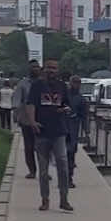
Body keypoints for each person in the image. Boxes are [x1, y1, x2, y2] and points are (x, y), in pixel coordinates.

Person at [29, 62, 73, 212]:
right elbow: (30, 105)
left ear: (57, 70)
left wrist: (66, 109)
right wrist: (32, 121)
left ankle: (64, 199)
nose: (51, 71)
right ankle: (45, 200)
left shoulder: (62, 86)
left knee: (62, 164)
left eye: (54, 68)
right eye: (48, 68)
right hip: (42, 131)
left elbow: (67, 105)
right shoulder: (36, 86)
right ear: (44, 70)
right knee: (43, 169)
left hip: (59, 131)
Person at [64, 74, 89, 187]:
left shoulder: (81, 99)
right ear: (70, 83)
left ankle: (69, 178)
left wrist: (87, 131)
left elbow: (84, 117)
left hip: (73, 130)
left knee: (71, 154)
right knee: (61, 154)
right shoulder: (63, 95)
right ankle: (63, 177)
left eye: (78, 83)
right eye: (74, 82)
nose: (76, 85)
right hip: (61, 128)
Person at [16, 60, 40, 178]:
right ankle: (32, 171)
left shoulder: (43, 83)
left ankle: (44, 171)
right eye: (32, 67)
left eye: (37, 67)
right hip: (26, 121)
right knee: (29, 147)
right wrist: (17, 117)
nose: (35, 69)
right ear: (29, 69)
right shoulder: (23, 84)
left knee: (42, 147)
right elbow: (17, 102)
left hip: (42, 120)